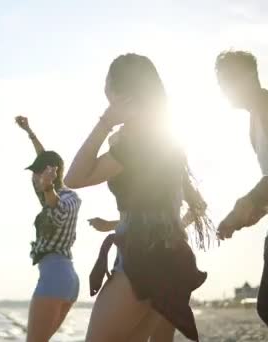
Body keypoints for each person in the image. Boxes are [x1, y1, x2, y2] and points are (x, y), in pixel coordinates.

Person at [64, 53, 213, 342]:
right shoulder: (164, 140)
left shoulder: (136, 142)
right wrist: (117, 223)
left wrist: (106, 122)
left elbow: (74, 178)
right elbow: (163, 201)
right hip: (173, 259)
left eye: (109, 90)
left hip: (142, 259)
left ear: (122, 94)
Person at [15, 116, 81, 342]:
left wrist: (49, 186)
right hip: (63, 278)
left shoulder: (69, 197)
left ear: (53, 173)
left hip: (56, 276)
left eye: (38, 172)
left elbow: (58, 209)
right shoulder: (46, 195)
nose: (34, 176)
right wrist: (29, 132)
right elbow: (43, 158)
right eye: (34, 172)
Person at [215, 50, 268, 324]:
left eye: (226, 82)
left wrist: (242, 207)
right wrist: (243, 218)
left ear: (247, 77)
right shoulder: (253, 122)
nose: (223, 91)